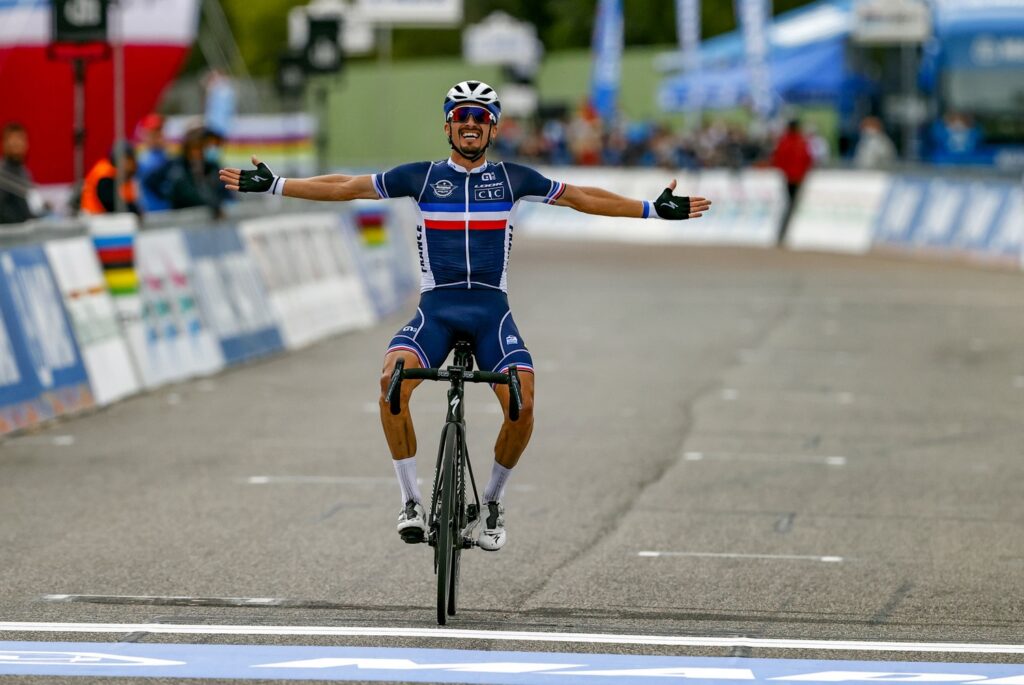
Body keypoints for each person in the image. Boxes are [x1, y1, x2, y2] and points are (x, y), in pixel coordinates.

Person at [219, 80, 711, 551]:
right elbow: (347, 186)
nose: (471, 123)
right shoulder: (423, 177)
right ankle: (411, 501)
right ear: (448, 126)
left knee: (523, 402)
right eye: (462, 117)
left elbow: (584, 198)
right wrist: (279, 184)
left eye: (481, 117)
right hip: (435, 312)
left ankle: (492, 502)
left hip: (491, 316)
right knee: (391, 382)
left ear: (494, 128)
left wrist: (651, 209)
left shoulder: (514, 179)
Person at [770, 119, 813, 244]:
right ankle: (784, 234)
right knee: (792, 205)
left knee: (788, 205)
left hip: (788, 177)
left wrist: (784, 171)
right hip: (798, 178)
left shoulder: (785, 141)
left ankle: (782, 234)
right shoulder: (801, 141)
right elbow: (808, 159)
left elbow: (778, 159)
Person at [0, 122, 44, 224]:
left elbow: (31, 205)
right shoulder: (2, 175)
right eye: (12, 139)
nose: (16, 143)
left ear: (27, 144)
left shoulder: (25, 173)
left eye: (20, 139)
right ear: (4, 144)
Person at [80, 144, 141, 215]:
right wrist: (134, 211)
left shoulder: (123, 176)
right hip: (94, 218)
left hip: (104, 218)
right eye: (131, 160)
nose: (134, 165)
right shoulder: (105, 174)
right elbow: (111, 203)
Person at [136, 113, 171, 212]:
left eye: (159, 131)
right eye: (153, 133)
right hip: (150, 210)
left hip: (168, 208)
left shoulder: (165, 154)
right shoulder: (143, 159)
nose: (157, 136)